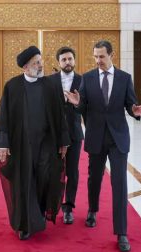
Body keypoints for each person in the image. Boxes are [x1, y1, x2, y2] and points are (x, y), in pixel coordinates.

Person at [65, 40, 141, 252]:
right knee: (94, 178)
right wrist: (76, 103)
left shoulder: (124, 78)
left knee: (119, 183)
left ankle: (121, 232)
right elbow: (83, 105)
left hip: (118, 138)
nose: (98, 60)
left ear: (112, 55)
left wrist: (134, 110)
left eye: (101, 56)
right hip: (95, 136)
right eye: (95, 56)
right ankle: (93, 210)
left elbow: (131, 104)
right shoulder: (88, 78)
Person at [0, 46, 70, 240]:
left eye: (41, 61)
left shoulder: (50, 86)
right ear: (25, 67)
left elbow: (60, 115)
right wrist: (2, 144)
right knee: (25, 181)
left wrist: (63, 142)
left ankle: (41, 212)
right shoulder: (13, 86)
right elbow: (3, 116)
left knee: (44, 178)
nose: (40, 65)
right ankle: (26, 224)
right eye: (36, 63)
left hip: (46, 144)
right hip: (22, 146)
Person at [48, 47, 82, 225]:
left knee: (72, 172)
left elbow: (87, 107)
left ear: (74, 60)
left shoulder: (83, 80)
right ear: (58, 62)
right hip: (54, 135)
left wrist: (77, 104)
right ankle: (51, 206)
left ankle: (68, 208)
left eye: (70, 59)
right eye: (64, 60)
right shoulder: (50, 81)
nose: (67, 62)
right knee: (53, 171)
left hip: (75, 134)